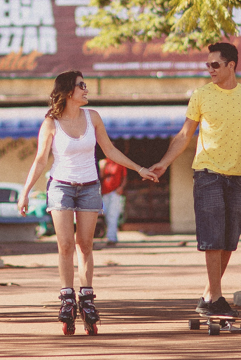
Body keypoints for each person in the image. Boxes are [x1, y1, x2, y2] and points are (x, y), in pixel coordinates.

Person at [18, 71, 157, 333]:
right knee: (65, 244)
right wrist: (25, 192)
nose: (86, 89)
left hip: (90, 187)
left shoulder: (93, 118)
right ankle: (67, 298)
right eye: (82, 85)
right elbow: (40, 159)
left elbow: (110, 151)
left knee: (85, 244)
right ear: (69, 91)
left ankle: (87, 297)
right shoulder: (51, 123)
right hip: (60, 186)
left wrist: (139, 169)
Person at [150, 42, 241, 318]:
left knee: (229, 240)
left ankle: (208, 296)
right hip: (207, 174)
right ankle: (217, 298)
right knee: (212, 238)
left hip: (234, 176)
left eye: (215, 65)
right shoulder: (201, 95)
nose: (209, 69)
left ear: (231, 66)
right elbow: (184, 134)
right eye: (207, 65)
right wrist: (164, 163)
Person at [99, 157, 127, 246]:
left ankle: (111, 238)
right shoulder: (105, 162)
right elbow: (102, 176)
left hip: (115, 192)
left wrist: (121, 188)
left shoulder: (120, 162)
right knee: (106, 214)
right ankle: (111, 236)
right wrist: (102, 168)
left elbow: (125, 177)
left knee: (113, 215)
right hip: (105, 191)